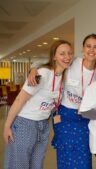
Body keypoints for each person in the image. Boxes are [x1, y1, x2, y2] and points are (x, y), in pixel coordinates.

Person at [28, 34, 96, 169]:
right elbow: (47, 60)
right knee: (65, 155)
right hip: (65, 117)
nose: (91, 50)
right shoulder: (72, 62)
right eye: (88, 46)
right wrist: (34, 69)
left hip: (85, 119)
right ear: (82, 49)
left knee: (83, 156)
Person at [3, 40, 73, 169]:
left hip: (43, 125)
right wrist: (7, 126)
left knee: (37, 164)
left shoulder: (63, 76)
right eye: (62, 54)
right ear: (54, 57)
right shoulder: (42, 74)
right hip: (25, 123)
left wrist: (34, 67)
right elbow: (19, 100)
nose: (67, 57)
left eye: (69, 53)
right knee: (19, 164)